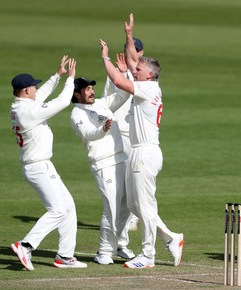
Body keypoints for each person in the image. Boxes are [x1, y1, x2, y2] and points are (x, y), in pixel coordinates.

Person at [98, 13, 184, 269]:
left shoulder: (149, 88)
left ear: (150, 75)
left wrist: (104, 58)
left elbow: (117, 79)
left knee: (144, 207)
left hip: (145, 153)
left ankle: (148, 256)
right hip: (137, 151)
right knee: (135, 204)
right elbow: (133, 59)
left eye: (139, 70)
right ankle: (171, 238)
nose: (134, 69)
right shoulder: (146, 82)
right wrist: (128, 36)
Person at [9, 55, 87, 271]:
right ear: (26, 91)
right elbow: (62, 102)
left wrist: (57, 76)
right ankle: (25, 245)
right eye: (33, 86)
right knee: (58, 209)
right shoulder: (29, 112)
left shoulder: (19, 106)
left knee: (68, 207)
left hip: (42, 165)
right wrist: (70, 79)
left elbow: (40, 96)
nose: (36, 88)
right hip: (37, 167)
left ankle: (65, 256)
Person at [70, 62, 135, 265]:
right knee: (111, 208)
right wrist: (104, 129)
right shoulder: (77, 114)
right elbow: (89, 134)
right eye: (87, 89)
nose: (91, 91)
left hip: (120, 158)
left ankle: (120, 245)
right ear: (77, 94)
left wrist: (123, 73)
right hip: (102, 163)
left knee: (127, 205)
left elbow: (123, 95)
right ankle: (104, 251)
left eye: (91, 88)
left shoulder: (100, 103)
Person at [102, 38, 144, 232]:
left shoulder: (144, 76)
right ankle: (125, 220)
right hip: (118, 132)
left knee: (134, 179)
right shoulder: (116, 73)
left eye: (135, 51)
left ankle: (132, 217)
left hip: (134, 134)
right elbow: (111, 96)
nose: (130, 54)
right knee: (124, 181)